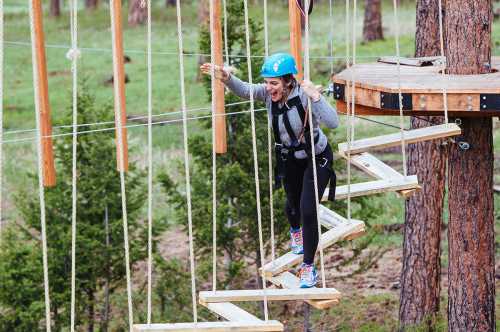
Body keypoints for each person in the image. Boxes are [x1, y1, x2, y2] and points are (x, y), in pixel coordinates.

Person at [200, 53, 338, 288]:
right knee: (291, 204)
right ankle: (295, 232)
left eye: (273, 83)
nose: (268, 87)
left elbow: (333, 122)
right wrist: (226, 77)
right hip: (291, 159)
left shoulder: (304, 96)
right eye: (266, 82)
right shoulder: (266, 95)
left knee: (308, 209)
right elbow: (245, 90)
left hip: (317, 158)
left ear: (287, 81)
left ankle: (308, 268)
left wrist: (316, 97)